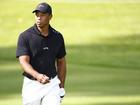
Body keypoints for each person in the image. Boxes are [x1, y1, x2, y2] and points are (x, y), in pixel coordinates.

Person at [16, 2, 67, 105]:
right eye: (37, 14)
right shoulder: (25, 36)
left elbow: (61, 62)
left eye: (42, 15)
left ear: (50, 17)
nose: (39, 17)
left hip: (52, 85)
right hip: (32, 86)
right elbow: (23, 62)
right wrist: (37, 75)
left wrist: (61, 86)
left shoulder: (57, 37)